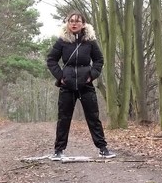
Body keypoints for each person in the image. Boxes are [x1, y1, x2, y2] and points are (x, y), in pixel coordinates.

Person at [46, 11, 116, 160]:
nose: (74, 23)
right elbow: (51, 60)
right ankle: (58, 151)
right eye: (71, 21)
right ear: (68, 23)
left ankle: (103, 149)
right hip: (67, 85)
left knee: (93, 117)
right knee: (64, 118)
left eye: (77, 21)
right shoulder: (62, 41)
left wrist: (92, 75)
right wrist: (61, 77)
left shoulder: (90, 41)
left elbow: (99, 60)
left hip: (86, 84)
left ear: (83, 24)